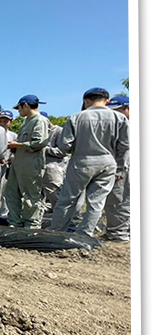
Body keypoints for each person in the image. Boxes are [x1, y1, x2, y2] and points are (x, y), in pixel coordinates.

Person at [48, 88, 129, 237]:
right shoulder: (119, 118)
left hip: (81, 161)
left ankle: (56, 231)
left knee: (68, 199)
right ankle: (85, 234)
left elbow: (65, 146)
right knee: (97, 201)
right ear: (107, 101)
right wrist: (118, 166)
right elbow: (125, 145)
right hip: (107, 162)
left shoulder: (76, 118)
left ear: (86, 101)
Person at [3, 94, 50, 229]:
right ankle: (14, 222)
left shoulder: (39, 120)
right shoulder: (26, 122)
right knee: (11, 194)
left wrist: (17, 145)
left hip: (32, 164)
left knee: (31, 196)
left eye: (19, 108)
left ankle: (31, 225)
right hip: (18, 164)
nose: (18, 111)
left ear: (26, 105)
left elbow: (39, 142)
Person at [102, 95, 131, 242]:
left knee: (119, 200)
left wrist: (119, 170)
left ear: (128, 109)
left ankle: (118, 234)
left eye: (117, 110)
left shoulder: (126, 125)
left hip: (124, 168)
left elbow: (124, 150)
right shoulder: (120, 124)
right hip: (122, 166)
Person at [41, 112, 69, 215]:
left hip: (54, 168)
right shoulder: (41, 131)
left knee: (56, 195)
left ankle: (64, 218)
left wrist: (43, 148)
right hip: (39, 167)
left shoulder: (59, 131)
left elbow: (63, 151)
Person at [0, 109, 18, 219]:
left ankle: (4, 213)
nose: (3, 123)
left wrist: (12, 158)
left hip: (9, 165)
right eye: (1, 121)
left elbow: (16, 151)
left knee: (8, 192)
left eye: (5, 121)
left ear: (10, 122)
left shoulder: (13, 136)